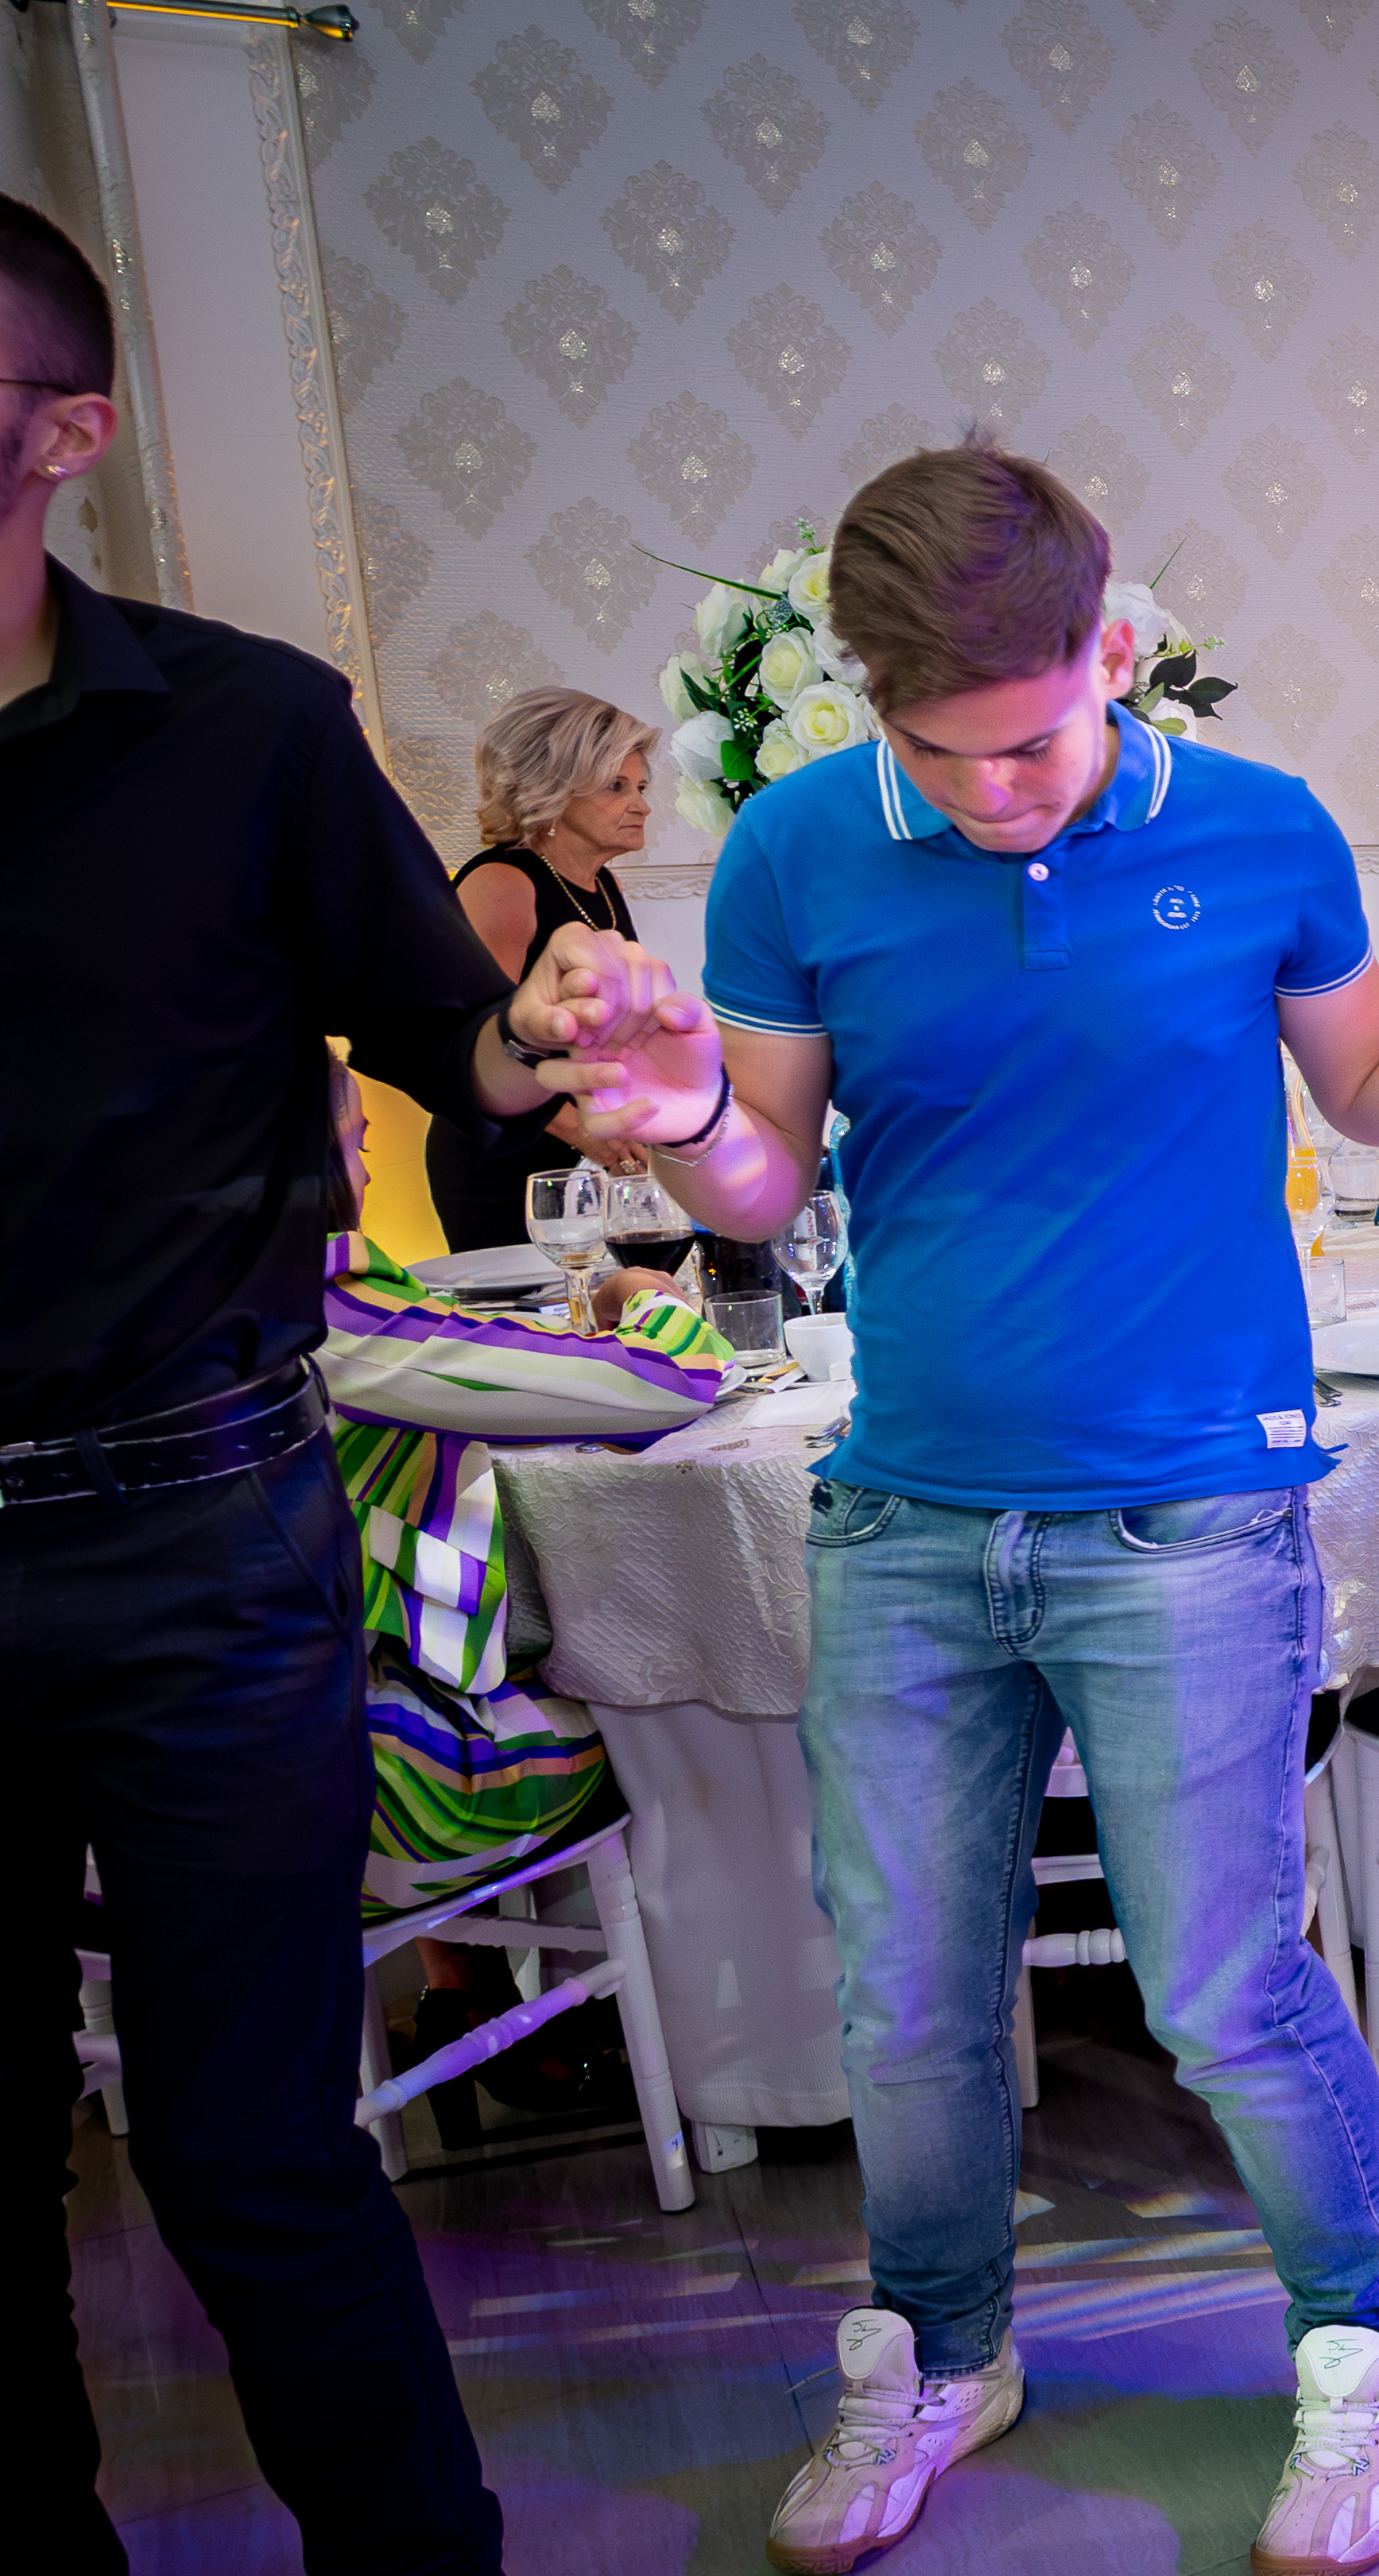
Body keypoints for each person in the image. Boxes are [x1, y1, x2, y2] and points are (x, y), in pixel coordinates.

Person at [579, 431, 1379, 2574]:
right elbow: (763, 1179)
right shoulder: (797, 848)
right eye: (946, 753)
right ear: (870, 698)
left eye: (1035, 740)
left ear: (1110, 648)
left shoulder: (1256, 827)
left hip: (1189, 1511)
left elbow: (1375, 1075)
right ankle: (942, 2345)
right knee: (905, 1991)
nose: (1000, 791)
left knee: (1220, 1982)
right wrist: (684, 1110)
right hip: (907, 1513)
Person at [2, 190, 686, 2576]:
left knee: (254, 2152)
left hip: (195, 1529)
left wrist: (566, 1036)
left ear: (67, 434)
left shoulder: (243, 728)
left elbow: (446, 1044)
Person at [320, 1058, 729, 1924]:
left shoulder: (108, 1310)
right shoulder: (315, 1307)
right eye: (357, 1147)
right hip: (359, 1804)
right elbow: (664, 1383)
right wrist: (645, 1296)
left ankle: (466, 1987)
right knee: (677, 1716)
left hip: (88, 1824)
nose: (366, 1174)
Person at [424, 687, 660, 1248]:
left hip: (587, 1153)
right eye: (616, 786)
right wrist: (588, 1135)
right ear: (552, 789)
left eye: (641, 787)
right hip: (505, 1162)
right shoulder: (503, 884)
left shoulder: (602, 884)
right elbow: (479, 1044)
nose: (643, 806)